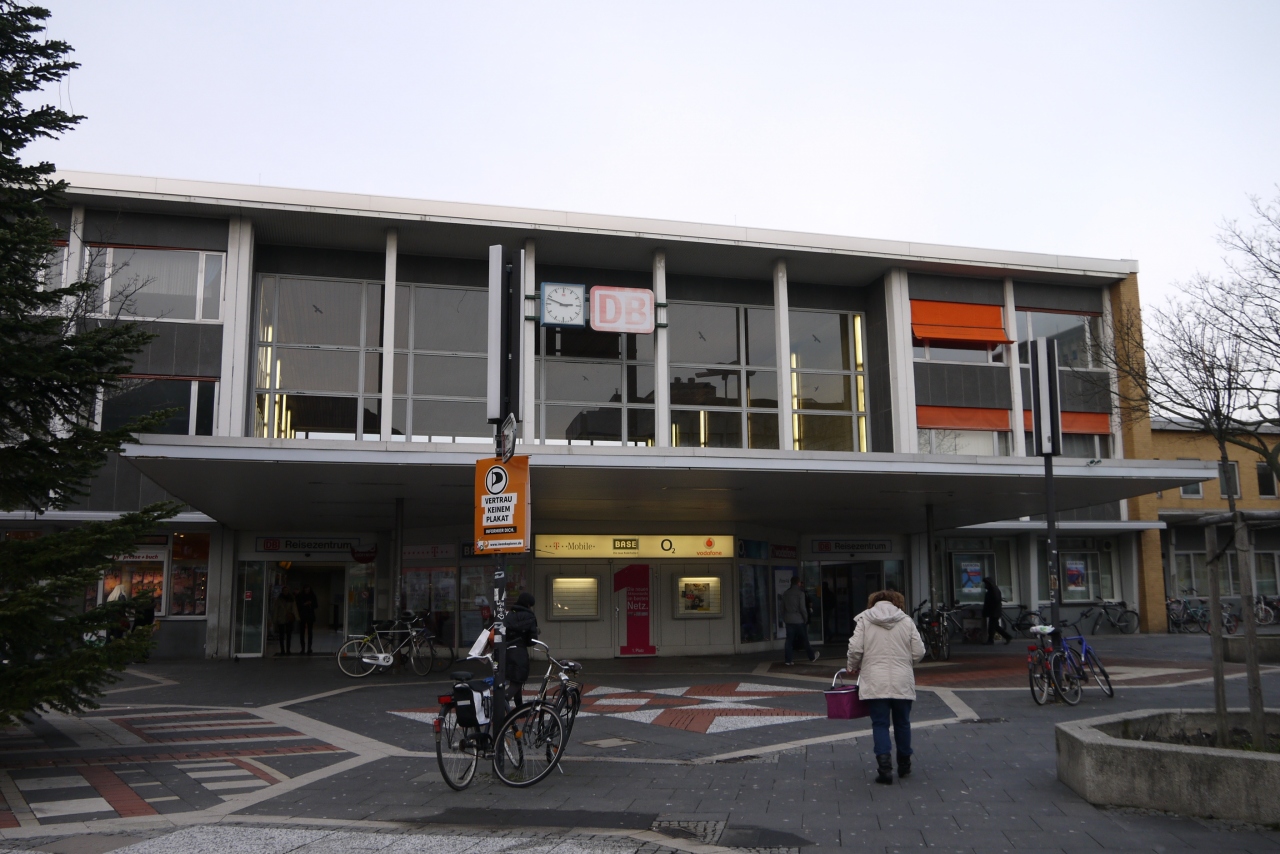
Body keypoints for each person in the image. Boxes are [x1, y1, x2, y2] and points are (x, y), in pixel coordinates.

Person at [846, 589, 925, 784]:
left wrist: (852, 666)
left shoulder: (865, 619)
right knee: (902, 722)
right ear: (897, 602)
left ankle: (885, 768)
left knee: (880, 723)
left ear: (873, 602)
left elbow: (855, 648)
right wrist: (906, 663)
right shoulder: (906, 620)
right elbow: (919, 651)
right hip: (902, 679)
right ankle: (904, 764)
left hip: (875, 680)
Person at [502, 592, 540, 709]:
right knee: (518, 682)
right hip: (519, 651)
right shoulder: (529, 616)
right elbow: (532, 640)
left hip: (506, 651)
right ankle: (500, 703)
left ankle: (520, 708)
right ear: (528, 605)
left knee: (515, 680)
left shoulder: (509, 614)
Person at [781, 576, 820, 666]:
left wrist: (784, 618)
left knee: (789, 641)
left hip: (789, 620)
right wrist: (806, 618)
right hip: (799, 620)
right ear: (798, 583)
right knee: (805, 640)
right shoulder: (800, 594)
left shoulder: (786, 593)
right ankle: (812, 657)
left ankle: (788, 660)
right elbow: (802, 608)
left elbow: (782, 608)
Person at [982, 577, 1012, 645]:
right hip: (994, 611)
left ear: (989, 584)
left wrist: (989, 609)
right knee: (995, 626)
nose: (985, 585)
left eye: (986, 583)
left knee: (992, 626)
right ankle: (1007, 637)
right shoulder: (993, 590)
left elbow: (994, 601)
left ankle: (991, 640)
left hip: (994, 611)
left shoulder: (993, 590)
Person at [272, 585, 299, 656]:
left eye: (286, 590)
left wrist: (296, 617)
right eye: (284, 591)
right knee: (281, 635)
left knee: (288, 635)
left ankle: (288, 649)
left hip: (288, 618)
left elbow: (294, 608)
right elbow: (276, 609)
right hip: (281, 618)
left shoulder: (291, 599)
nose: (285, 592)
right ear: (282, 591)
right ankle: (282, 650)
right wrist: (275, 619)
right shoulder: (279, 599)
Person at [296, 586, 318, 654]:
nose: (307, 591)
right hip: (303, 615)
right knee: (302, 632)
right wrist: (305, 604)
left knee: (309, 632)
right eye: (306, 590)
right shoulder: (300, 596)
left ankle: (309, 647)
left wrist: (310, 603)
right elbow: (298, 605)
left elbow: (316, 605)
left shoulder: (312, 596)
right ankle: (303, 648)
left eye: (308, 590)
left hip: (309, 615)